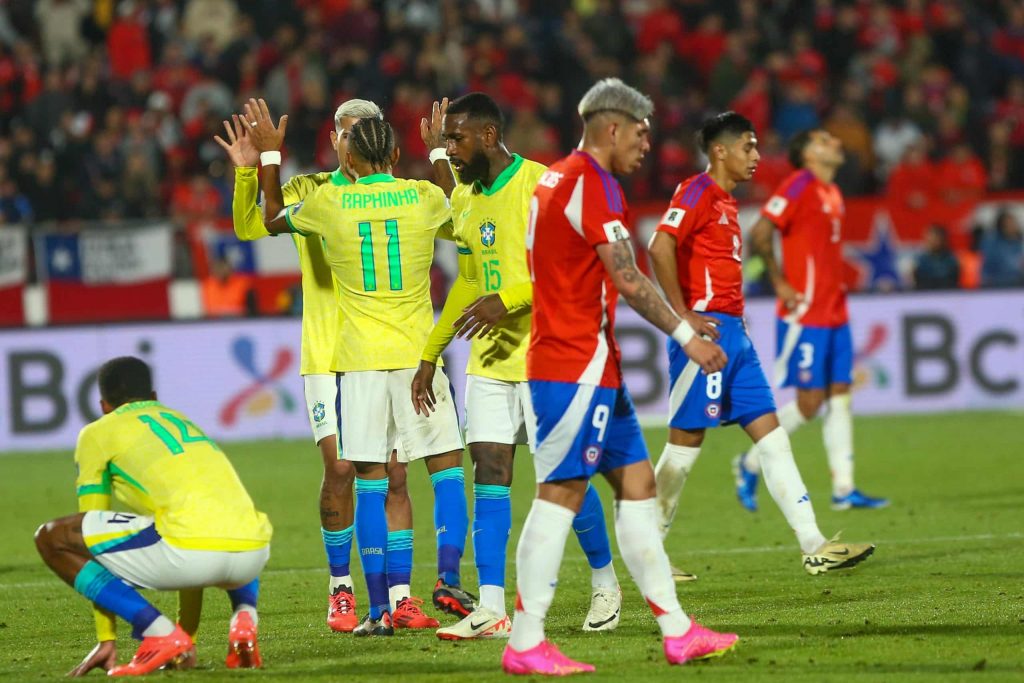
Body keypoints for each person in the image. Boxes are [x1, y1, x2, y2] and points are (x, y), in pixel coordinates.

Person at [503, 78, 738, 676]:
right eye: (640, 133)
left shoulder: (557, 178)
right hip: (570, 365)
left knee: (639, 487)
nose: (647, 145)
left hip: (593, 366)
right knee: (560, 492)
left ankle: (678, 631)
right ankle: (526, 640)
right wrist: (688, 335)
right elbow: (629, 279)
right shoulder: (590, 181)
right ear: (611, 127)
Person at [217, 99, 436, 632]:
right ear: (334, 136)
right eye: (347, 130)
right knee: (340, 469)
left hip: (389, 353)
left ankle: (401, 597)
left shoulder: (399, 192)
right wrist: (250, 173)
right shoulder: (309, 191)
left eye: (365, 130)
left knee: (396, 475)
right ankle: (341, 588)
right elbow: (253, 228)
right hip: (329, 353)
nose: (355, 138)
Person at [412, 92, 621, 641]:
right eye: (445, 141)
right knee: (490, 474)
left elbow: (572, 269)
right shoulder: (468, 200)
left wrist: (508, 300)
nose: (448, 149)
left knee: (562, 475)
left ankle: (605, 584)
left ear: (487, 135)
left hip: (544, 356)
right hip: (488, 362)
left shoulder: (540, 185)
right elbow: (470, 283)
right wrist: (430, 354)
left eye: (456, 140)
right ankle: (491, 605)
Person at [648, 114, 876, 577]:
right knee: (683, 451)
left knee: (773, 442)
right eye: (748, 148)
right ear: (720, 151)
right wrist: (681, 317)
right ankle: (648, 552)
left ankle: (813, 544)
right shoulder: (697, 190)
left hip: (736, 337)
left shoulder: (728, 204)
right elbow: (658, 245)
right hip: (705, 335)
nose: (756, 156)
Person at [34, 356, 272, 676]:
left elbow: (90, 531)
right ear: (155, 397)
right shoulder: (183, 421)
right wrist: (187, 637)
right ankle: (244, 618)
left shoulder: (97, 433)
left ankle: (157, 632)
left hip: (190, 553)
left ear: (104, 405)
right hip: (253, 556)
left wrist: (107, 637)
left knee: (54, 538)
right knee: (212, 521)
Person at [729, 128, 889, 511]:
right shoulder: (799, 184)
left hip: (836, 311)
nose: (834, 141)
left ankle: (844, 489)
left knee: (840, 397)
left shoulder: (831, 191)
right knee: (809, 403)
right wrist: (779, 281)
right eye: (822, 140)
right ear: (808, 155)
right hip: (807, 312)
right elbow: (761, 230)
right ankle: (748, 462)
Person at [914, 224, 961, 290]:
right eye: (929, 238)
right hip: (925, 296)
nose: (931, 241)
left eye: (935, 238)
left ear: (942, 239)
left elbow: (951, 280)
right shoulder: (921, 261)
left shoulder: (951, 260)